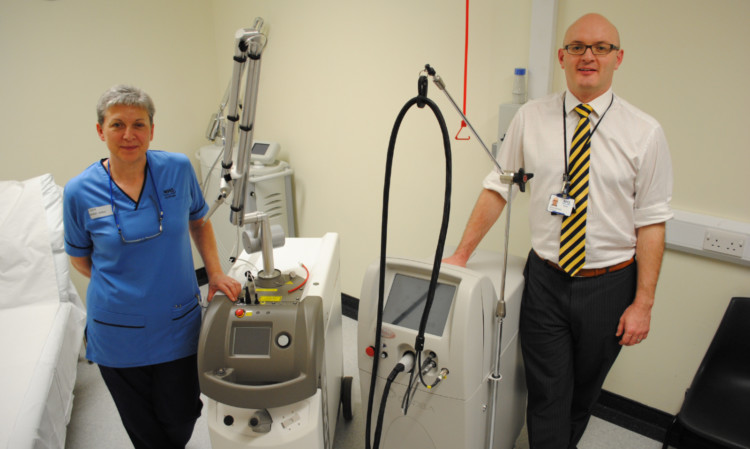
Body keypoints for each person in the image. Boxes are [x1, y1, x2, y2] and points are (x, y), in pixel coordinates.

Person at [443, 13, 673, 449]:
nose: (588, 56)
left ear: (618, 58)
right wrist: (461, 254)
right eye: (578, 46)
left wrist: (643, 303)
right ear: (561, 56)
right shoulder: (532, 117)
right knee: (548, 393)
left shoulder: (645, 133)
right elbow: (499, 187)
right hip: (546, 279)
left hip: (610, 285)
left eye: (601, 48)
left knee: (582, 395)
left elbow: (651, 223)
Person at [63, 84, 242, 449]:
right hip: (116, 333)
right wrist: (123, 289)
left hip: (177, 321)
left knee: (180, 415)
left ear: (152, 130)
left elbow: (199, 221)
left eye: (139, 124)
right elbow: (79, 258)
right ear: (100, 131)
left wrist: (216, 273)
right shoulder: (79, 191)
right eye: (117, 125)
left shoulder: (176, 169)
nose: (129, 135)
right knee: (143, 428)